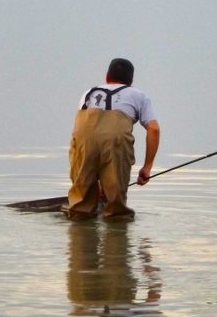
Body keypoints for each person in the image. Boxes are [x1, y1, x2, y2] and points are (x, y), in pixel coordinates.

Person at [64, 58, 160, 217]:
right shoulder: (137, 95)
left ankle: (78, 227)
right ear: (130, 82)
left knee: (79, 209)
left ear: (107, 78)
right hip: (115, 143)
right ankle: (117, 231)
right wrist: (147, 167)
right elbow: (154, 129)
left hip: (82, 143)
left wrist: (97, 181)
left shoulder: (88, 93)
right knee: (117, 210)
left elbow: (92, 137)